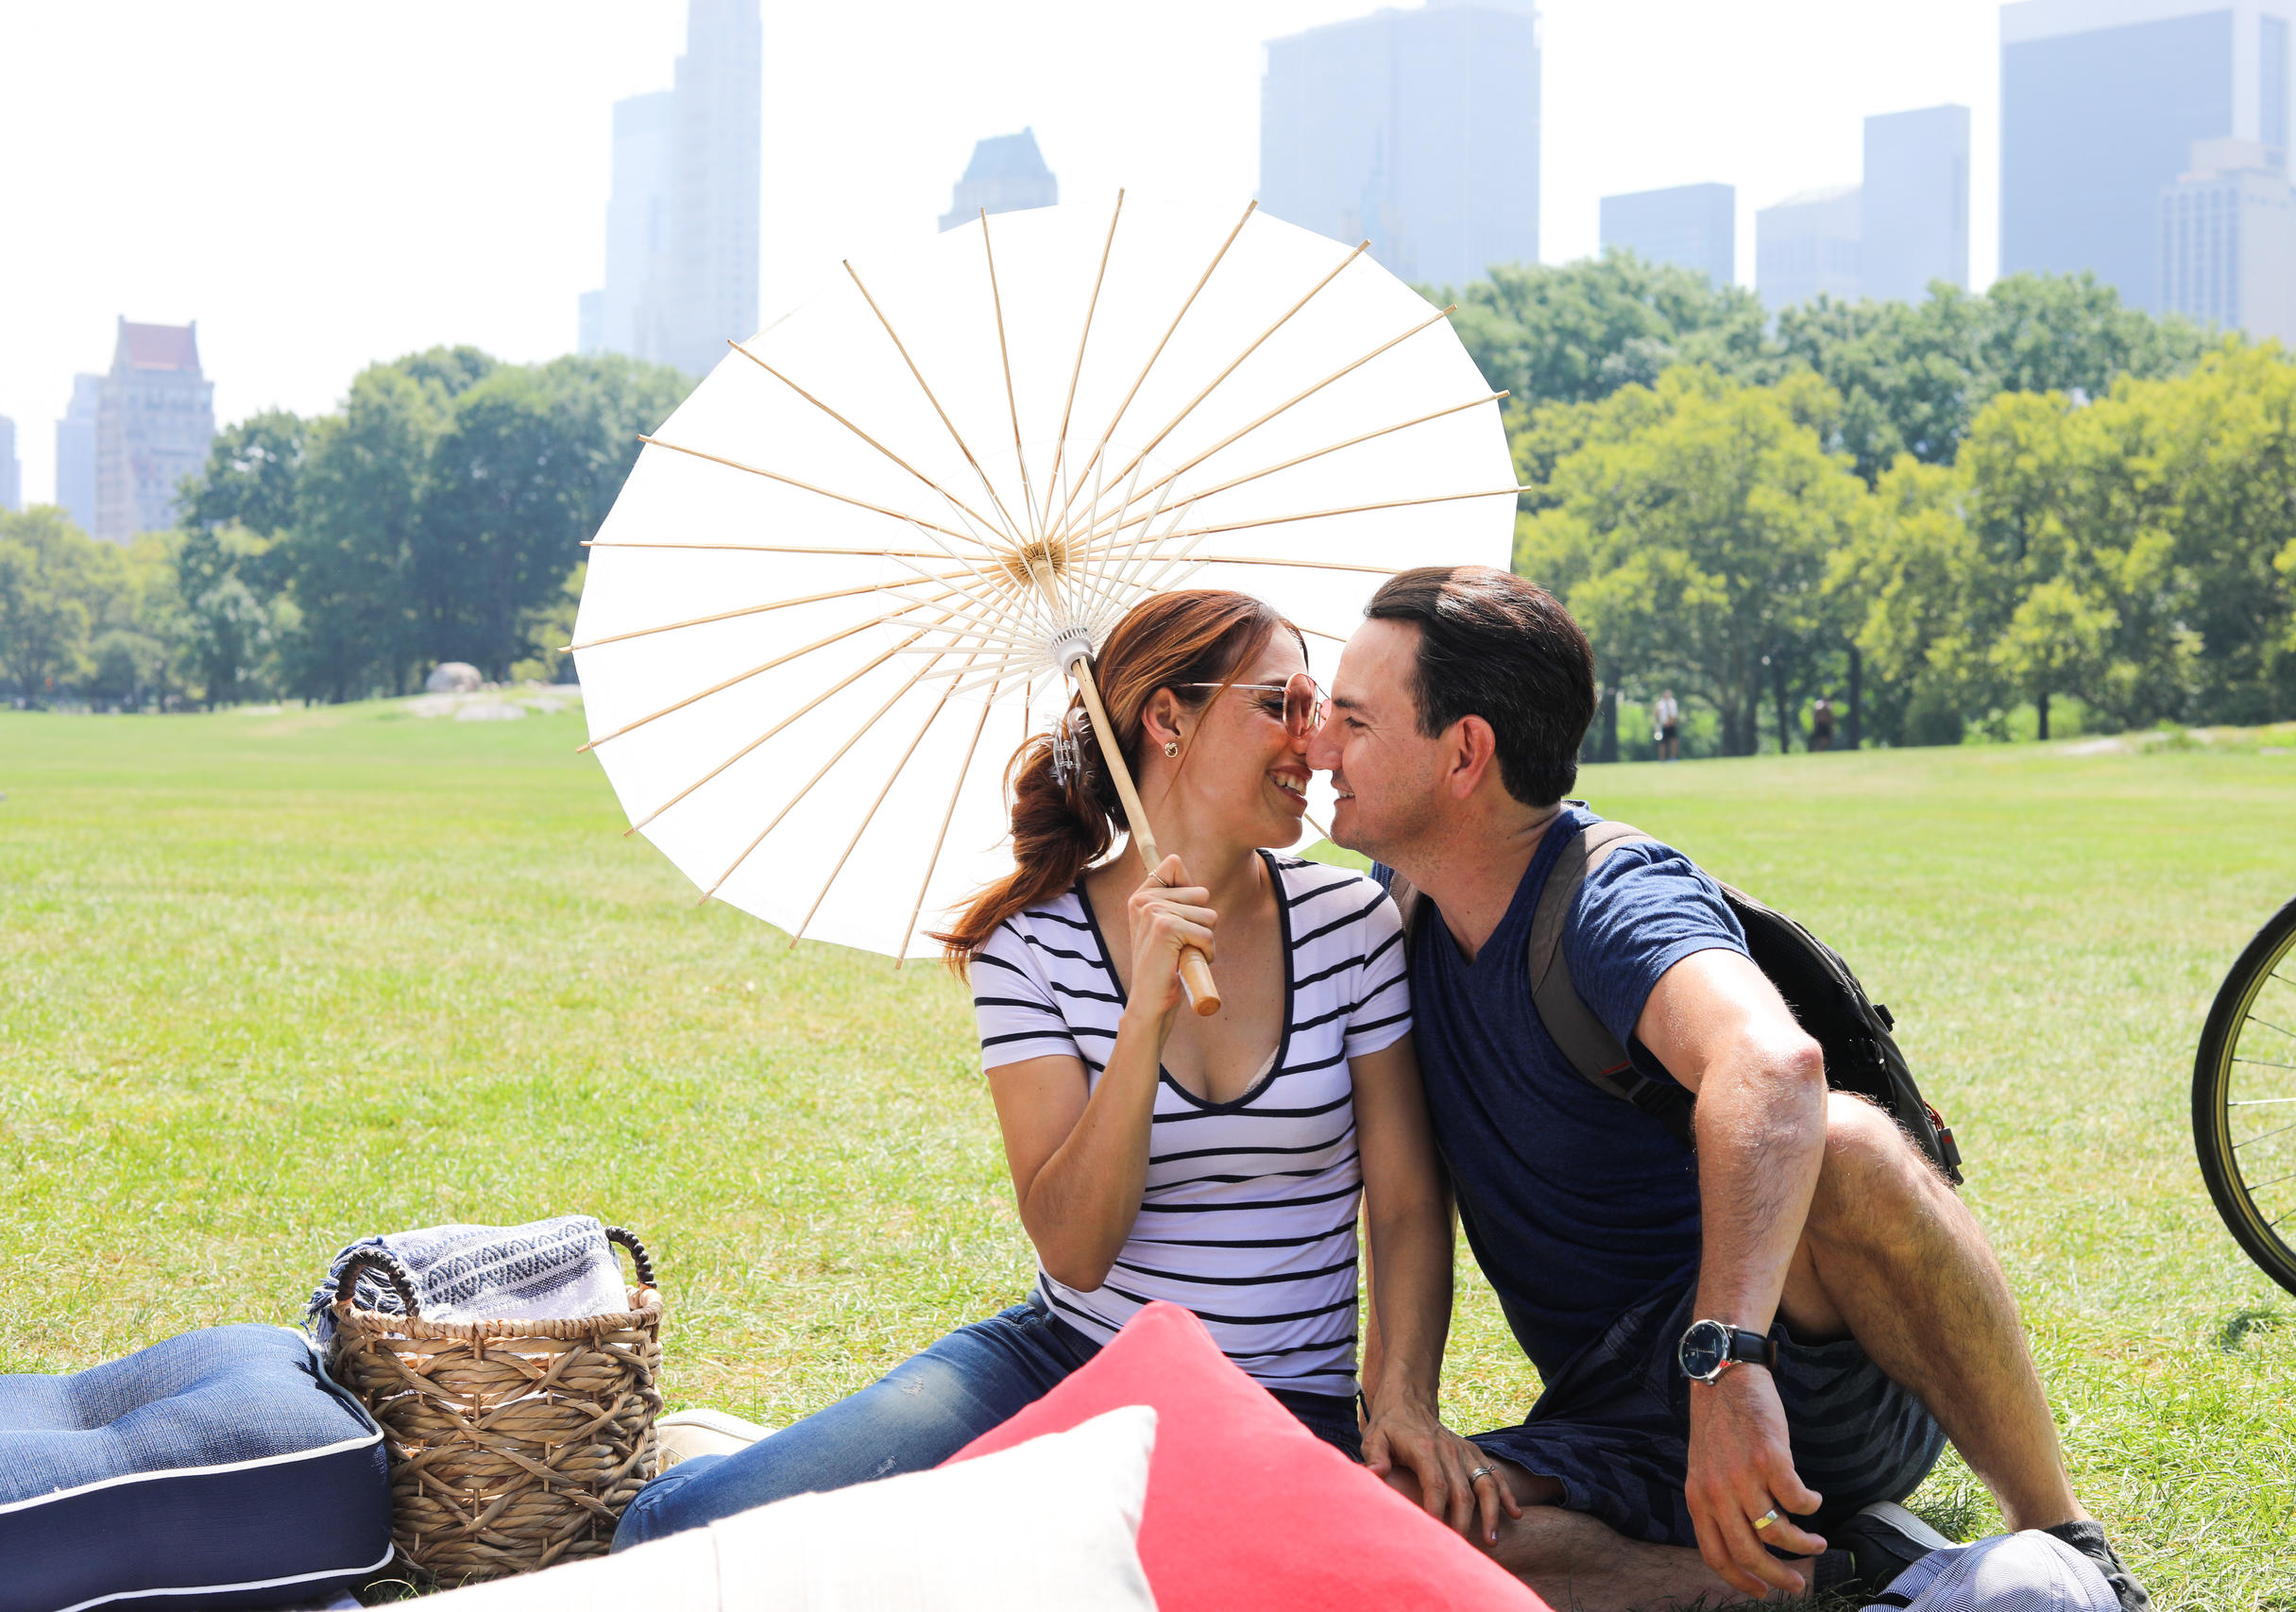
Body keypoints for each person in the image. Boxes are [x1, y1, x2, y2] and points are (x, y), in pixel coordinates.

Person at [1304, 567, 2147, 1610]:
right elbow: (1405, 1196)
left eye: (1350, 720)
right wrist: (1402, 1406)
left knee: (1843, 1144)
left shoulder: (1607, 898)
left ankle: (2063, 1540)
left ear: (1465, 753)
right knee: (1378, 1510)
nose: (1316, 748)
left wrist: (1726, 1367)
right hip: (1617, 1422)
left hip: (1800, 1375)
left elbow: (1772, 1063)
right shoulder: (1400, 916)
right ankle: (1810, 1585)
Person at [614, 588, 1488, 1549]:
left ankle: (872, 1493)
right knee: (680, 1531)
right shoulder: (1029, 946)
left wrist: (1401, 1398)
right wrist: (1140, 1020)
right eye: (1278, 704)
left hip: (1281, 1402)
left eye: (1315, 708)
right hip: (1067, 1361)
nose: (1310, 741)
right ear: (1167, 719)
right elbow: (1074, 1250)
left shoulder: (1349, 924)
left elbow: (1404, 1200)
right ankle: (780, 1470)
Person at [1655, 690, 1681, 762]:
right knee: (1662, 743)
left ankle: (1673, 758)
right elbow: (1656, 715)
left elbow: (1675, 714)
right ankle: (1662, 759)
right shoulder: (1660, 704)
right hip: (1663, 726)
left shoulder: (1673, 703)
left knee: (1674, 742)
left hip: (1672, 725)